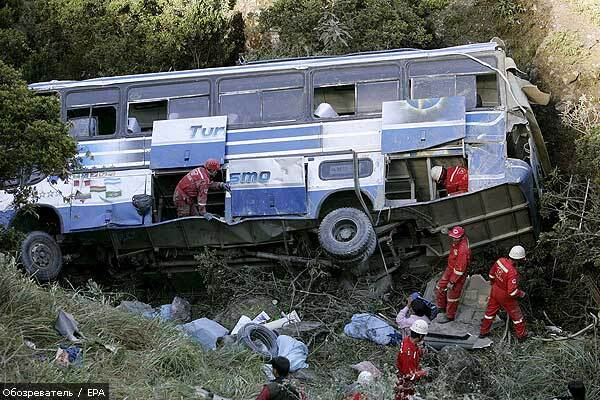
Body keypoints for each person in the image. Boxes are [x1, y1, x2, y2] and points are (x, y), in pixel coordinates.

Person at [479, 245, 528, 340]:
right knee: (517, 316)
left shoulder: (500, 261)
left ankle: (483, 332)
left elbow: (491, 275)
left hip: (495, 290)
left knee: (489, 313)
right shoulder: (512, 272)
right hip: (505, 296)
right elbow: (512, 292)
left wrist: (495, 284)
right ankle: (522, 336)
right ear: (518, 259)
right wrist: (521, 294)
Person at [435, 226, 471, 323]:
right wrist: (447, 232)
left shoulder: (463, 250)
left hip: (458, 274)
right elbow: (453, 233)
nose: (454, 239)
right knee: (440, 287)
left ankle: (450, 316)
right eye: (453, 237)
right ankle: (441, 307)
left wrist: (452, 282)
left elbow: (460, 269)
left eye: (456, 237)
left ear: (461, 237)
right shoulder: (459, 239)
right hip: (450, 268)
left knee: (452, 296)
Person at [395, 320, 429, 400]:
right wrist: (424, 372)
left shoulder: (408, 340)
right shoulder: (408, 354)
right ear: (420, 336)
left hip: (402, 372)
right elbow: (409, 376)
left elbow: (415, 349)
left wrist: (420, 352)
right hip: (405, 383)